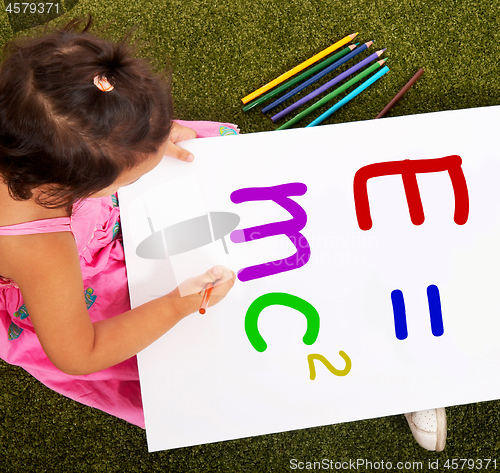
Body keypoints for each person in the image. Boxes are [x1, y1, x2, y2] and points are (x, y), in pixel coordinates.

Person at [0, 17, 236, 429]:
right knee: (173, 346)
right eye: (135, 175)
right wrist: (174, 305)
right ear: (71, 190)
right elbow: (79, 354)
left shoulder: (27, 131)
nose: (152, 158)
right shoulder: (43, 251)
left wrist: (145, 140)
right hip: (46, 278)